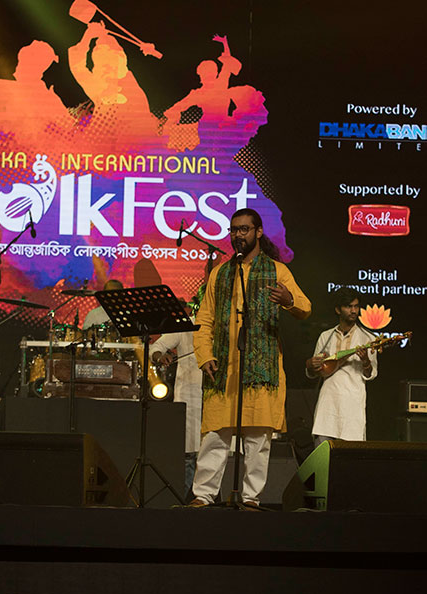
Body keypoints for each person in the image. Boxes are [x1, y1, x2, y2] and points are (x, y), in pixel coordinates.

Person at [189, 209, 311, 509]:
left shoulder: (277, 271)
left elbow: (305, 307)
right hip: (224, 368)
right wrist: (204, 355)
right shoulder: (220, 273)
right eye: (234, 230)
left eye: (244, 229)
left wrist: (289, 301)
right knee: (216, 435)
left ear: (258, 232)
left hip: (261, 369)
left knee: (258, 438)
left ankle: (250, 499)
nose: (238, 235)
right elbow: (204, 320)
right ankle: (203, 496)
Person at [304, 287, 377, 448]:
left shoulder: (368, 338)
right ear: (338, 309)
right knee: (322, 455)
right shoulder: (326, 336)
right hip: (328, 403)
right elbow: (315, 372)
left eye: (356, 306)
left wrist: (365, 361)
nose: (354, 311)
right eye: (349, 306)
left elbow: (370, 374)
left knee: (351, 456)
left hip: (352, 402)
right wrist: (312, 365)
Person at [151, 304, 203, 497]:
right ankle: (183, 500)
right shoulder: (186, 326)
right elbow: (156, 347)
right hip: (190, 397)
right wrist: (160, 356)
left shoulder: (225, 328)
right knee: (189, 454)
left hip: (217, 398)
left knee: (214, 452)